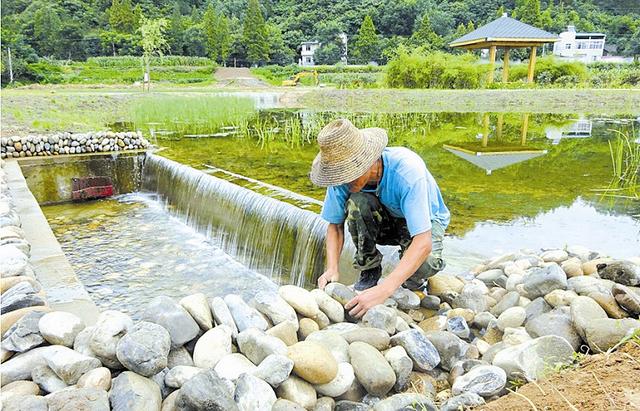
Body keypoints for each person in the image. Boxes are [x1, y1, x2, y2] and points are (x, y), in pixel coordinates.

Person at [310, 118, 450, 318]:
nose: (344, 182)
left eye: (349, 175)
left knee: (425, 263)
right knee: (357, 202)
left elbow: (423, 241)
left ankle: (412, 279)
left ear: (368, 162)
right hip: (383, 217)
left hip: (423, 222)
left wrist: (384, 290)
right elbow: (335, 226)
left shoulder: (408, 172)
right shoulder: (341, 179)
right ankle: (370, 269)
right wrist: (332, 268)